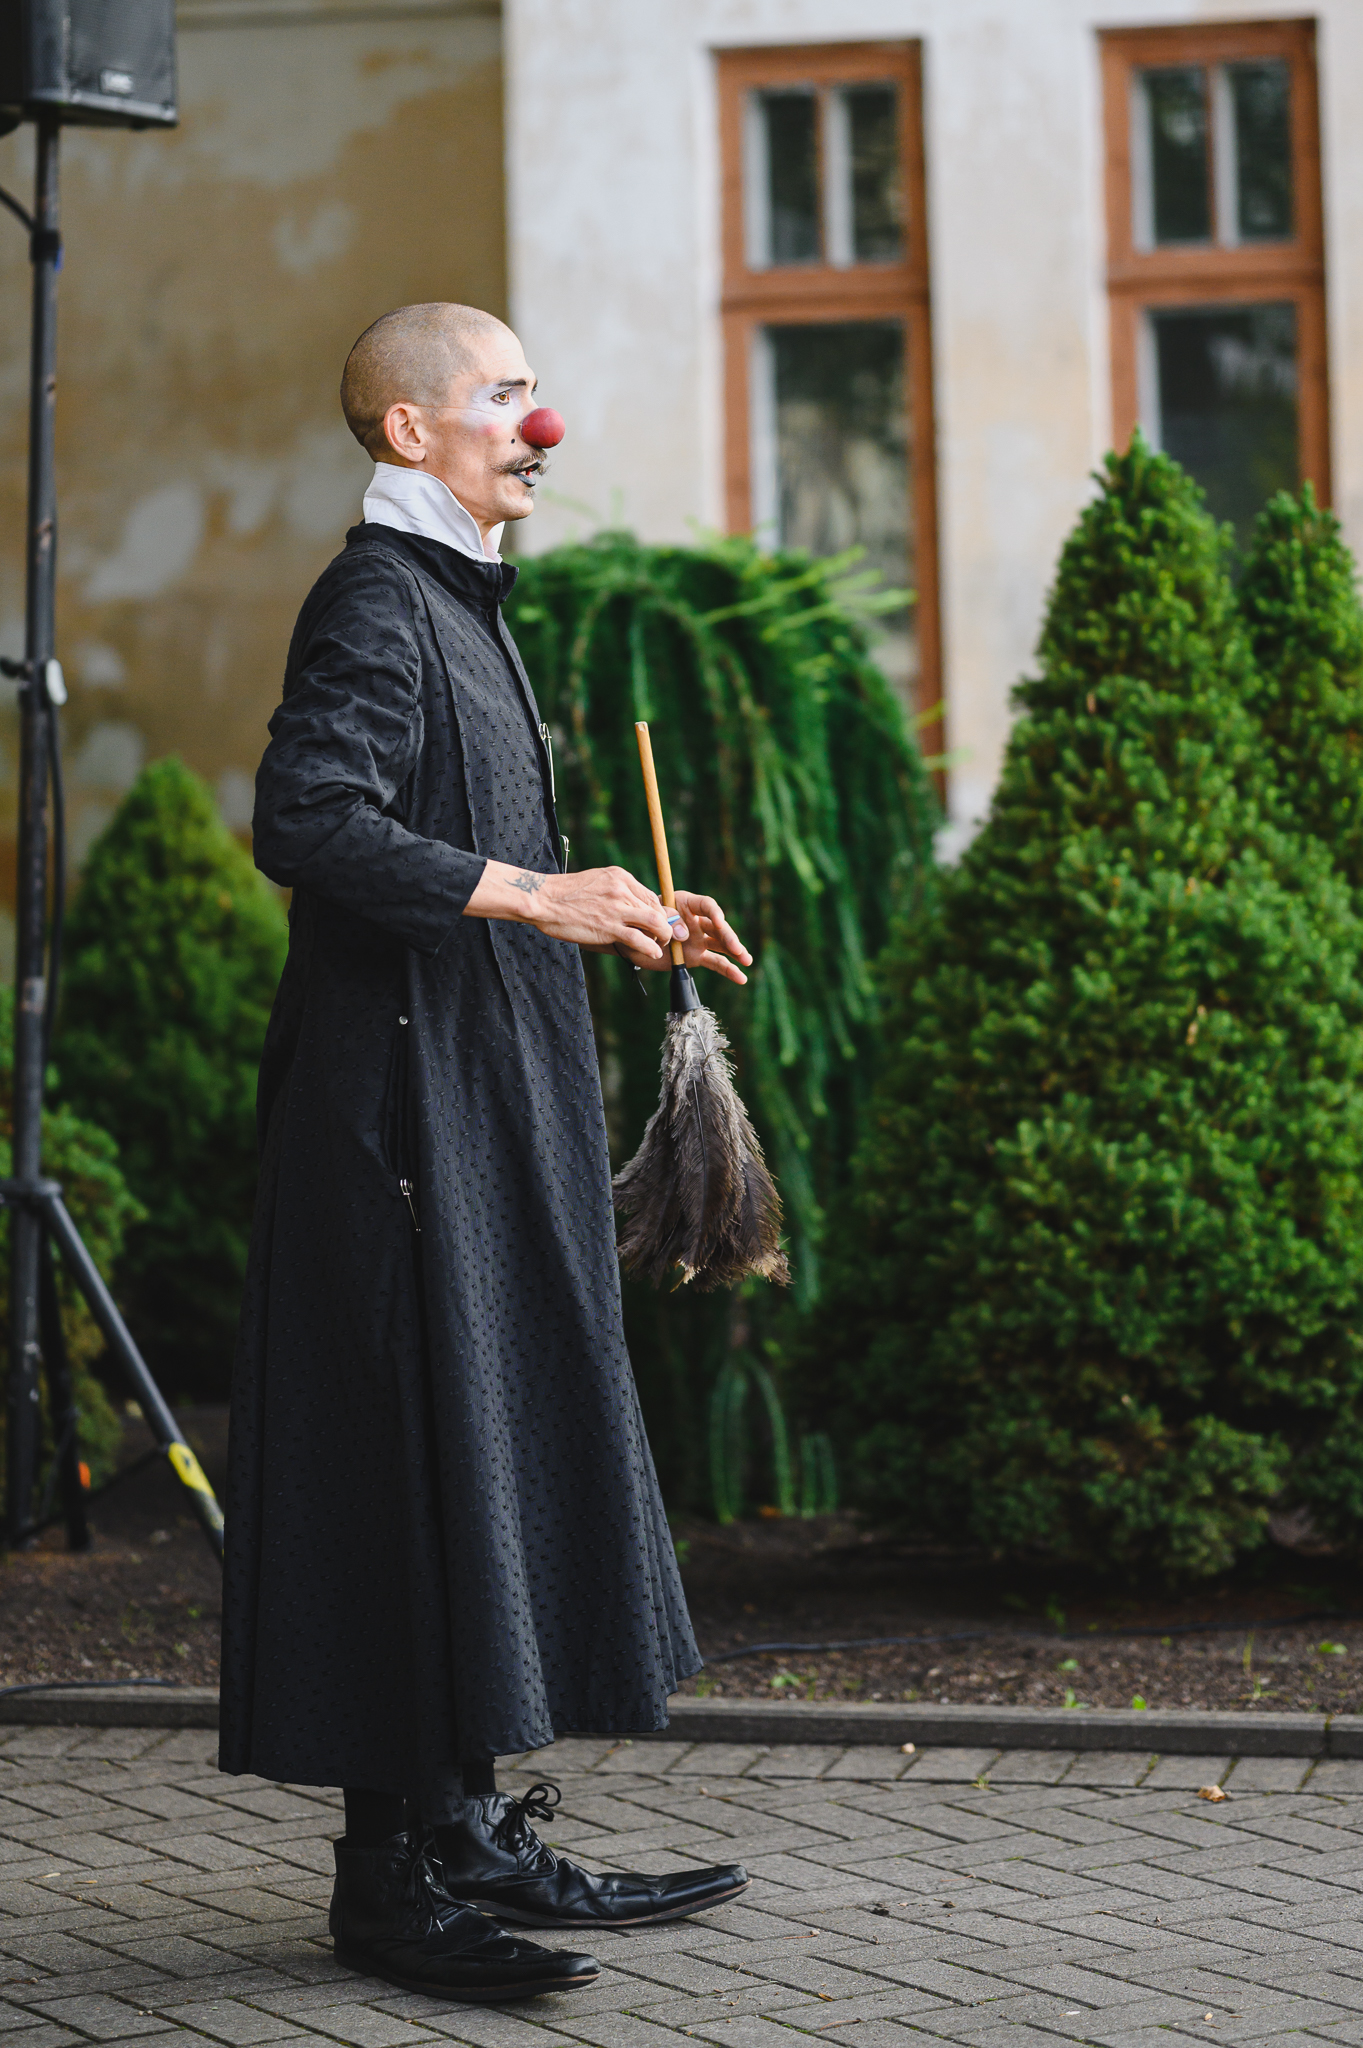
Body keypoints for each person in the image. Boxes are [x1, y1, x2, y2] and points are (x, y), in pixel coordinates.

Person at [218, 304, 754, 2004]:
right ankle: (387, 1888)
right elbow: (307, 821)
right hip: (396, 1126)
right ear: (408, 432)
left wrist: (620, 908)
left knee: (477, 1455)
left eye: (534, 392)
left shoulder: (457, 597)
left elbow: (458, 839)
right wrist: (536, 894)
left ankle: (465, 1837)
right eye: (505, 395)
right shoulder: (378, 599)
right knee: (405, 1467)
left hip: (476, 1107)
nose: (542, 424)